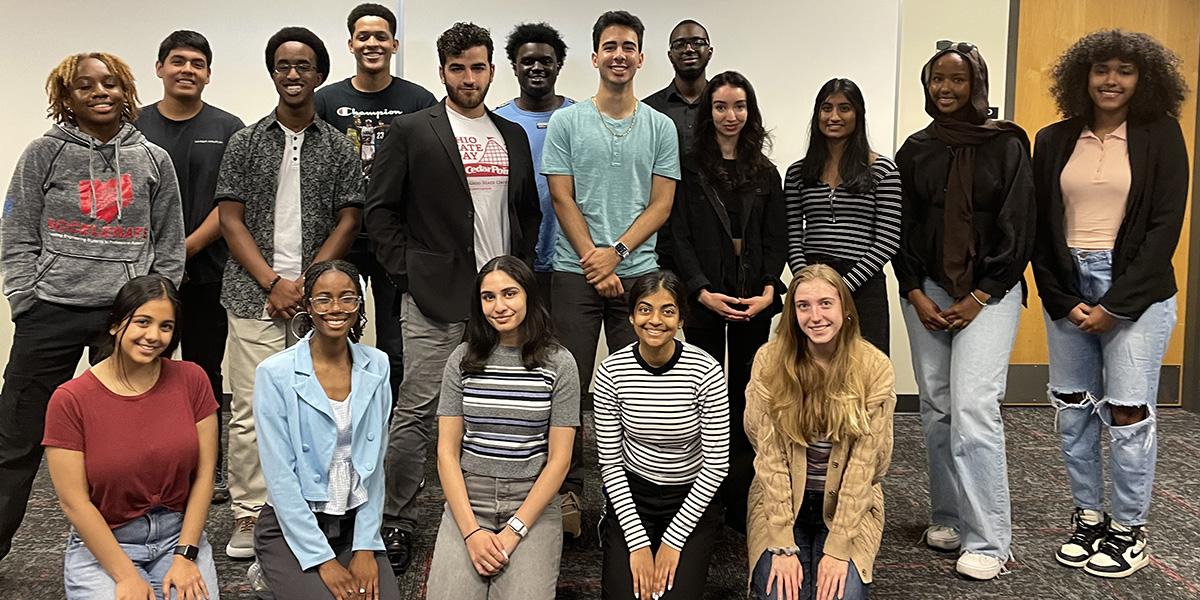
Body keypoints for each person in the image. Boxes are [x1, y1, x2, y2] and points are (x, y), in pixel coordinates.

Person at [365, 22, 541, 572]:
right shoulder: (414, 130)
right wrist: (409, 276)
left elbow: (527, 211)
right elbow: (380, 212)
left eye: (479, 67)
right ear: (442, 71)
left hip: (502, 302)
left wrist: (520, 272)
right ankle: (394, 519)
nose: (470, 78)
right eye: (458, 68)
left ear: (493, 70)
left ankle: (493, 510)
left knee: (504, 406)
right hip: (435, 299)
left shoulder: (510, 134)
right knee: (418, 410)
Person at [0, 51, 185, 564]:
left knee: (121, 443)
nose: (99, 92)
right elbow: (15, 228)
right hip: (51, 310)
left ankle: (127, 549)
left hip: (125, 319)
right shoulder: (44, 153)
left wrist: (155, 301)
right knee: (16, 441)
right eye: (85, 86)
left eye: (109, 84)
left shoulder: (153, 159)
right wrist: (24, 298)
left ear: (127, 91)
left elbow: (169, 240)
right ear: (66, 97)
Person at [1032, 30, 1190, 579]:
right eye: (1101, 69)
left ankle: (1129, 528)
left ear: (1143, 79)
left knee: (1126, 411)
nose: (1111, 80)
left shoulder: (1160, 135)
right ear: (1083, 77)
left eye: (1124, 70)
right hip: (1070, 286)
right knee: (1074, 409)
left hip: (1137, 293)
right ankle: (1088, 516)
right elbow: (1040, 229)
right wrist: (1062, 297)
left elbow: (1165, 228)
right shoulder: (1053, 140)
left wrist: (1116, 305)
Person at [216, 27, 363, 559]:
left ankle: (314, 506)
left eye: (304, 65)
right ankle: (250, 513)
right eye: (284, 65)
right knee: (252, 409)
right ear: (272, 73)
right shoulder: (245, 142)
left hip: (319, 302)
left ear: (320, 75)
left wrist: (311, 281)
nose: (294, 74)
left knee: (318, 408)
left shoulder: (337, 147)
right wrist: (273, 283)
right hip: (252, 297)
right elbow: (230, 219)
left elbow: (350, 215)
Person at [893, 42, 1035, 580]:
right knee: (937, 407)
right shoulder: (916, 149)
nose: (946, 90)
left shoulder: (1006, 145)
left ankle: (989, 539)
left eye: (957, 80)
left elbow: (1019, 225)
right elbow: (900, 228)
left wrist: (980, 294)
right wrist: (916, 292)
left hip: (991, 293)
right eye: (937, 81)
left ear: (978, 84)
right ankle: (948, 517)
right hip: (927, 290)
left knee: (975, 407)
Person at [542, 12, 680, 482]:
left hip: (640, 274)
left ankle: (641, 484)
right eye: (610, 46)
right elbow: (562, 196)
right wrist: (595, 263)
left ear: (640, 58)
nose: (619, 55)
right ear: (596, 55)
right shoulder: (566, 122)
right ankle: (568, 489)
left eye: (628, 47)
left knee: (644, 386)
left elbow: (661, 205)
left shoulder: (661, 127)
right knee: (568, 384)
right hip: (572, 271)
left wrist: (615, 254)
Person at [43, 275, 218, 599]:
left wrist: (185, 555)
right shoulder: (70, 399)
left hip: (177, 536)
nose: (153, 336)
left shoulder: (192, 379)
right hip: (106, 542)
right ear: (115, 324)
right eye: (142, 322)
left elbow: (205, 474)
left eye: (166, 326)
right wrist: (125, 576)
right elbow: (74, 502)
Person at [668, 70, 785, 533]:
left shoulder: (765, 171)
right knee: (703, 402)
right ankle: (702, 503)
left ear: (750, 112)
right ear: (707, 112)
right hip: (703, 299)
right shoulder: (689, 168)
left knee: (747, 398)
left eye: (739, 106)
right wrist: (698, 289)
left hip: (753, 300)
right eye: (721, 107)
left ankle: (742, 499)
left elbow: (777, 237)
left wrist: (770, 290)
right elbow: (677, 236)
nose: (730, 115)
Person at [425, 256, 579, 599]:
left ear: (529, 296)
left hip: (532, 503)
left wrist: (513, 532)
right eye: (488, 297)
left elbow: (560, 461)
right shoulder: (462, 359)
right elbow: (446, 454)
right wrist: (471, 534)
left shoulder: (559, 362)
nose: (499, 306)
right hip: (469, 500)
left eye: (510, 294)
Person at [137, 30, 245, 506]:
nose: (187, 70)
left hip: (208, 272)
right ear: (159, 68)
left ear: (208, 74)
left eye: (197, 63)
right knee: (143, 368)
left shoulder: (229, 128)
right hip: (139, 276)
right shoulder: (130, 127)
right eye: (177, 61)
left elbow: (232, 207)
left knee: (203, 373)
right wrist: (160, 259)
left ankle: (208, 467)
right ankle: (146, 463)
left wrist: (181, 253)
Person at [744, 264, 895, 600]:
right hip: (780, 505)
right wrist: (782, 545)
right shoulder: (769, 362)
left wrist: (839, 548)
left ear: (845, 308)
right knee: (781, 594)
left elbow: (866, 467)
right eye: (804, 306)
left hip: (848, 506)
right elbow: (769, 460)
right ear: (792, 313)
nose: (815, 316)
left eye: (826, 303)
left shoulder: (874, 368)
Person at [252, 260, 400, 599]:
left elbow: (375, 467)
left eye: (347, 298)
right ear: (307, 305)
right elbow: (281, 478)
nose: (336, 308)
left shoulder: (377, 365)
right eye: (324, 299)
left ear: (359, 305)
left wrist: (365, 547)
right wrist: (323, 561)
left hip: (353, 524)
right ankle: (270, 575)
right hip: (292, 527)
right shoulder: (275, 373)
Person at [316, 2, 439, 404]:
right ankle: (338, 418)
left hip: (396, 239)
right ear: (350, 43)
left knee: (395, 344)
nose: (372, 43)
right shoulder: (325, 101)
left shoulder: (419, 100)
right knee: (333, 334)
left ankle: (386, 430)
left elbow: (429, 172)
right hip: (341, 237)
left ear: (394, 44)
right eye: (364, 36)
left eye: (381, 36)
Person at [594, 271, 729, 600]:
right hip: (632, 494)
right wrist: (638, 543)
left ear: (682, 318)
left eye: (667, 311)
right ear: (631, 315)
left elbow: (716, 466)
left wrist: (673, 540)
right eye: (644, 309)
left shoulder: (706, 370)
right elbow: (610, 463)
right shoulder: (611, 371)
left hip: (690, 496)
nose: (655, 320)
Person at [785, 78, 902, 354]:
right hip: (813, 281)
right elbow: (791, 233)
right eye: (826, 108)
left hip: (863, 283)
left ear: (858, 114)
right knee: (810, 368)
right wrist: (808, 282)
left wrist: (841, 287)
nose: (834, 116)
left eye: (844, 108)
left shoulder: (883, 170)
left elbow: (888, 239)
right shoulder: (797, 173)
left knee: (868, 369)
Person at [494, 22, 575, 305]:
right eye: (528, 61)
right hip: (514, 258)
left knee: (563, 346)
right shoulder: (496, 122)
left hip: (571, 258)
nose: (537, 67)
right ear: (514, 67)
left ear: (559, 65)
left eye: (546, 61)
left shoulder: (580, 118)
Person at [643, 19, 714, 155]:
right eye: (679, 44)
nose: (689, 49)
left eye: (697, 42)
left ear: (709, 52)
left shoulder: (725, 108)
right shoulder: (648, 110)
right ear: (670, 56)